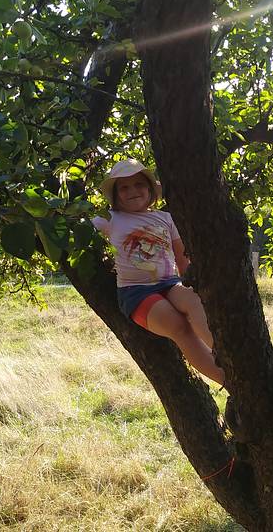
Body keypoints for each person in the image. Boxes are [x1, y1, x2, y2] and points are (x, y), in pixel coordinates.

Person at [92, 158, 225, 386]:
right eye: (124, 187)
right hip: (137, 292)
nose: (133, 191)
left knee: (194, 300)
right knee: (178, 326)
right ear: (115, 194)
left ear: (150, 189)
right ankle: (226, 379)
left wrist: (191, 282)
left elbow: (182, 257)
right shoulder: (109, 219)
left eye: (139, 185)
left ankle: (228, 357)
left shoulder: (165, 218)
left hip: (170, 284)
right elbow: (77, 230)